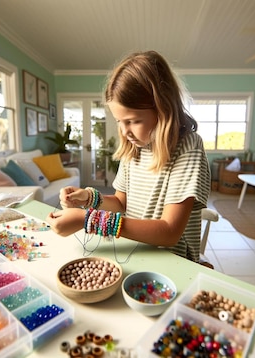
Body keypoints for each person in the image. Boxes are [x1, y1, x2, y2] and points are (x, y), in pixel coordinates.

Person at [46, 50, 211, 263]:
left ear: (163, 110)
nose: (124, 132)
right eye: (119, 121)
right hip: (134, 252)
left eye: (133, 121)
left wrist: (89, 220)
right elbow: (121, 203)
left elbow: (169, 232)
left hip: (171, 262)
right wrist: (88, 198)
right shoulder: (133, 148)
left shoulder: (188, 147)